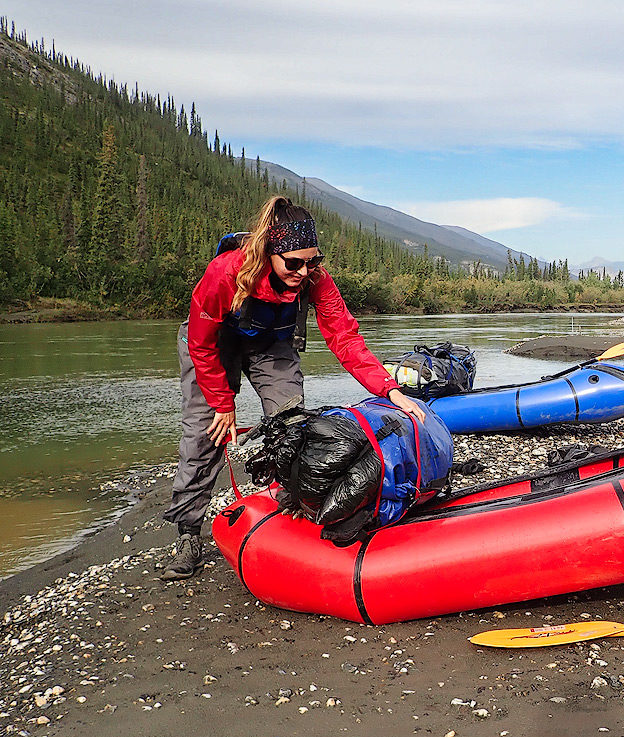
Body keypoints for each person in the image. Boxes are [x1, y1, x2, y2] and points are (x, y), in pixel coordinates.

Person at [160, 195, 425, 580]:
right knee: (206, 433)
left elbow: (345, 338)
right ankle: (188, 533)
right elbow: (200, 341)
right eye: (294, 262)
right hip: (213, 343)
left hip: (270, 342)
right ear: (269, 253)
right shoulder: (226, 271)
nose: (304, 271)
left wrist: (390, 390)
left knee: (291, 423)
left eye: (313, 261)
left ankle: (293, 500)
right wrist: (222, 402)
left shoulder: (314, 278)